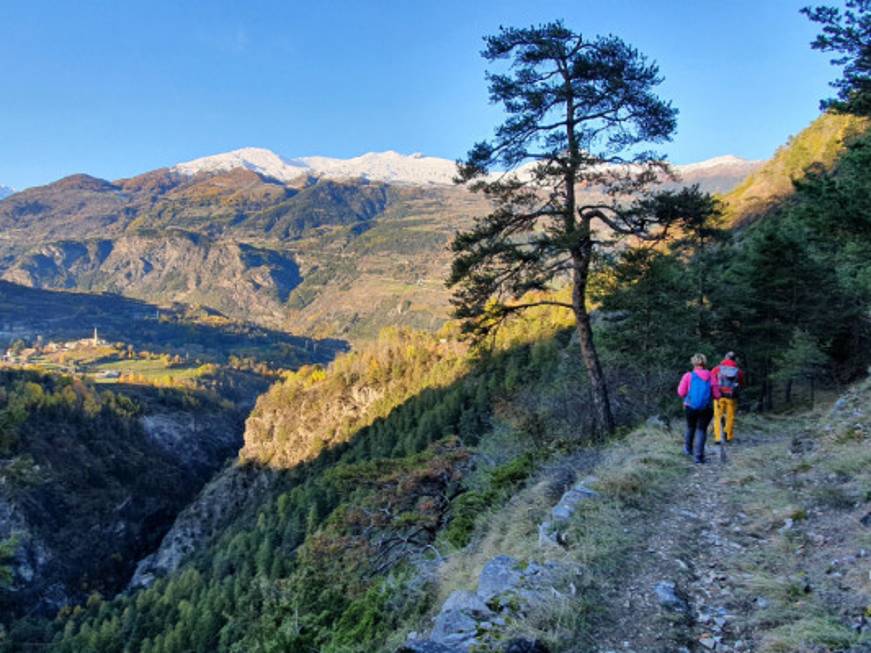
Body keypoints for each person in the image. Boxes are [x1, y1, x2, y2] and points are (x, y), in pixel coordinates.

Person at [677, 353, 719, 464]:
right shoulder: (711, 376)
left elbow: (681, 392)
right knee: (701, 430)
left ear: (693, 363)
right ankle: (698, 457)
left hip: (690, 407)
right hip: (706, 408)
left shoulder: (688, 376)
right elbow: (717, 395)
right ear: (704, 363)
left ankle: (687, 450)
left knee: (690, 427)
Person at [711, 352, 743, 444]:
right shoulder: (738, 371)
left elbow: (712, 380)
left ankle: (718, 437)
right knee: (730, 416)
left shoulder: (717, 369)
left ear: (725, 358)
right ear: (734, 359)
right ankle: (728, 436)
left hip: (719, 396)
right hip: (731, 397)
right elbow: (741, 383)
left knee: (717, 416)